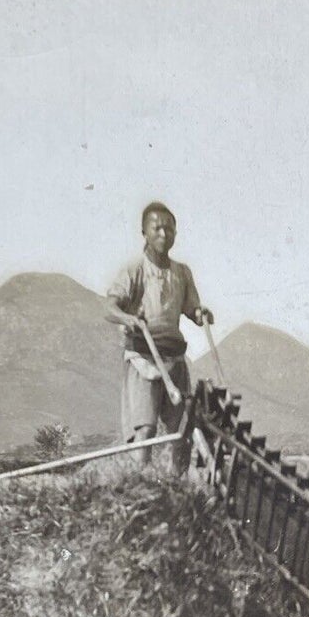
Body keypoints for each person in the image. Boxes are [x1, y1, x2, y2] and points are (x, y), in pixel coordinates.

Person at [104, 201, 214, 470]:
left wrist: (200, 314)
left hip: (174, 359)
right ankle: (139, 487)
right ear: (144, 232)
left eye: (169, 229)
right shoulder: (135, 271)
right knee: (146, 431)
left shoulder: (182, 273)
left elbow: (191, 309)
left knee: (183, 432)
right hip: (144, 358)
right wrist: (129, 319)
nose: (164, 234)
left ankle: (178, 490)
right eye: (157, 228)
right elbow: (109, 307)